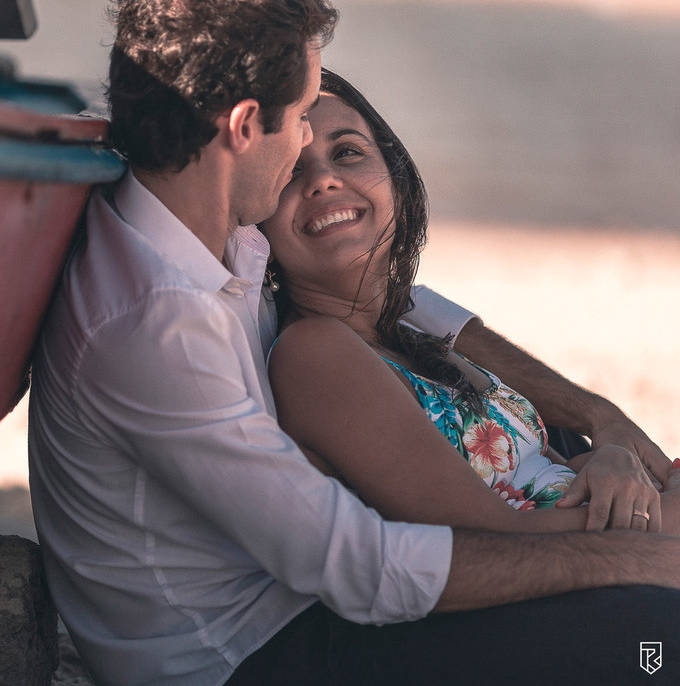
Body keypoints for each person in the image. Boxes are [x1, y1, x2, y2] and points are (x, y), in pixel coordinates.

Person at [27, 0, 680, 686]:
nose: (308, 138)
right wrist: (635, 558)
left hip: (303, 605)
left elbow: (404, 305)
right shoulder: (154, 324)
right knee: (656, 643)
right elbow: (361, 566)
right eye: (301, 115)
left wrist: (598, 412)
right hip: (248, 655)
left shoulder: (207, 223)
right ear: (244, 127)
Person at [262, 69, 679, 538]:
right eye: (291, 169)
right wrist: (661, 522)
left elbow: (539, 474)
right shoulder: (314, 351)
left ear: (397, 181)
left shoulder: (412, 334)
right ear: (257, 212)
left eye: (348, 152)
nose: (322, 180)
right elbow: (479, 539)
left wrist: (609, 459)